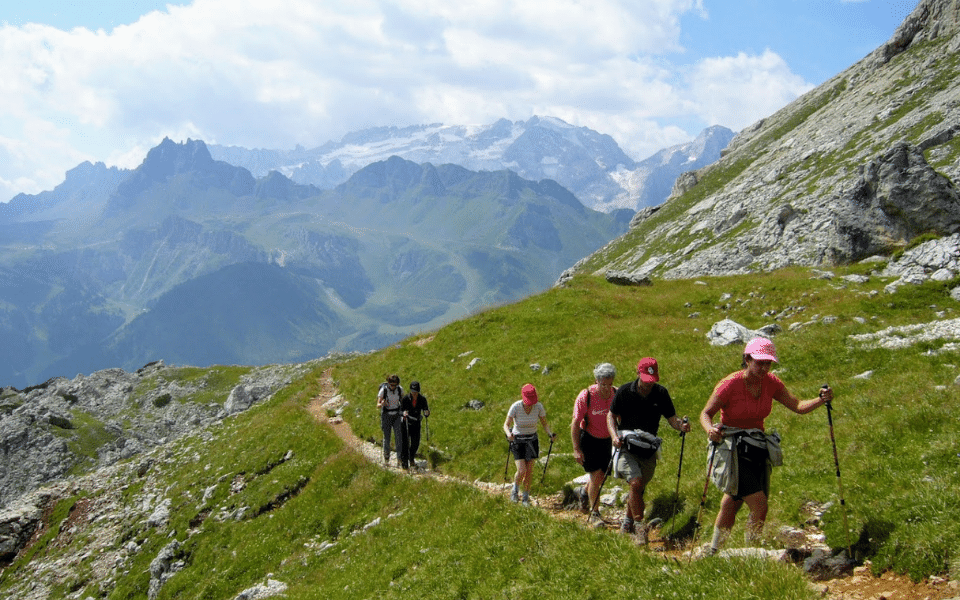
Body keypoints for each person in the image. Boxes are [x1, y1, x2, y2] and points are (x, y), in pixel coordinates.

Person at [698, 337, 833, 554]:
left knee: (733, 501)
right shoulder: (730, 383)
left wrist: (820, 400)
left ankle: (715, 551)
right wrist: (710, 430)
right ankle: (752, 552)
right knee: (759, 504)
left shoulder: (772, 383)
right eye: (759, 362)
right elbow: (706, 413)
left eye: (768, 363)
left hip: (757, 447)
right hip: (733, 448)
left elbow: (797, 405)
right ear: (747, 359)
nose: (764, 367)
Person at [607, 357, 690, 544]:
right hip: (626, 445)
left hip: (648, 448)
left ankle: (627, 522)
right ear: (637, 373)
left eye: (652, 380)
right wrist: (614, 436)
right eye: (645, 379)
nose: (648, 384)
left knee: (638, 488)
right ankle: (639, 527)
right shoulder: (624, 392)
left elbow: (672, 418)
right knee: (635, 483)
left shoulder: (661, 393)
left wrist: (681, 426)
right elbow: (611, 416)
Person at [570, 363, 617, 525]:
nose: (607, 388)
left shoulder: (616, 394)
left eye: (609, 384)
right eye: (603, 384)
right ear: (596, 381)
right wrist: (576, 449)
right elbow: (575, 424)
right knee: (596, 476)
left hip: (608, 441)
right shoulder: (586, 396)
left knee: (601, 476)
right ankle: (595, 513)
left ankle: (583, 492)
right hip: (589, 440)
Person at [503, 383, 557, 506]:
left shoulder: (538, 407)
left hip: (532, 440)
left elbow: (544, 424)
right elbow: (506, 424)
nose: (530, 403)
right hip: (518, 440)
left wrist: (550, 434)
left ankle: (526, 497)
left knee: (529, 471)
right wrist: (508, 434)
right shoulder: (515, 407)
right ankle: (515, 490)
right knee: (521, 470)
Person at [400, 380, 430, 470]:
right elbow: (400, 411)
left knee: (415, 443)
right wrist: (403, 413)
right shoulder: (405, 399)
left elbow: (426, 410)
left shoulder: (422, 399)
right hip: (406, 423)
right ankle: (404, 463)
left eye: (416, 392)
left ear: (418, 391)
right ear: (410, 391)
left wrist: (427, 413)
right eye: (412, 392)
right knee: (405, 443)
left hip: (416, 423)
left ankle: (411, 457)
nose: (414, 394)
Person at [377, 374, 404, 467]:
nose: (392, 387)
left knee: (398, 437)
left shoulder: (400, 389)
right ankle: (386, 458)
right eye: (391, 385)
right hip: (386, 415)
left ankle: (399, 459)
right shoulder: (383, 390)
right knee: (387, 438)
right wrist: (382, 404)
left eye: (394, 385)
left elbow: (402, 401)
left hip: (396, 415)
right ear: (388, 383)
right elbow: (378, 404)